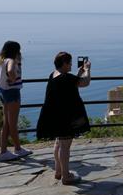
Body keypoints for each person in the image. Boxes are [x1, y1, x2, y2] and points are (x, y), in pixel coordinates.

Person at [36, 52, 91, 185]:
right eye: (70, 62)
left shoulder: (53, 75)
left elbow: (73, 84)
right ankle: (66, 176)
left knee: (59, 143)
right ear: (65, 63)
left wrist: (78, 73)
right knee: (65, 146)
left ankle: (59, 171)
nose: (71, 64)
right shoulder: (66, 78)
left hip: (55, 115)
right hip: (65, 117)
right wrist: (87, 70)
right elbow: (85, 82)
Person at [0, 41, 32, 162]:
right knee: (12, 123)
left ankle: (4, 152)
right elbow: (11, 71)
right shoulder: (11, 60)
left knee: (6, 123)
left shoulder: (3, 60)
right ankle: (18, 149)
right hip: (12, 92)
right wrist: (13, 78)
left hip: (3, 92)